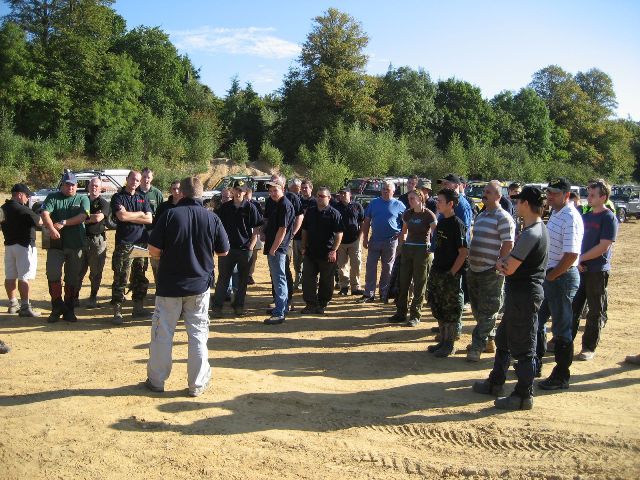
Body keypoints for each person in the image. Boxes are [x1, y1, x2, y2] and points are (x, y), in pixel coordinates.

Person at [146, 176, 229, 397]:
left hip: (170, 286)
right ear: (201, 194)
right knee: (198, 335)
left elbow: (153, 249)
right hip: (199, 286)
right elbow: (223, 251)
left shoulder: (169, 215)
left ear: (181, 193)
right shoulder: (212, 218)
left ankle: (157, 381)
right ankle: (197, 384)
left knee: (163, 334)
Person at [472, 186, 548, 410]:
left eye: (518, 201)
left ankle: (524, 395)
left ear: (526, 204)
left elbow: (509, 267)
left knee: (524, 348)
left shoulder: (532, 233)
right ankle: (496, 381)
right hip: (520, 294)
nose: (515, 205)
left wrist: (500, 264)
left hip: (524, 295)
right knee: (504, 340)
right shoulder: (536, 229)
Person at [536, 177, 584, 390]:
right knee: (537, 320)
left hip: (562, 277)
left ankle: (562, 375)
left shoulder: (570, 217)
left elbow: (572, 254)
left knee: (561, 328)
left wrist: (553, 275)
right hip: (553, 276)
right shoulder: (556, 212)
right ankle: (534, 362)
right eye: (549, 192)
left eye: (554, 193)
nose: (550, 196)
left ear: (567, 195)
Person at [466, 181, 515, 362]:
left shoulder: (503, 217)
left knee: (488, 311)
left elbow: (508, 244)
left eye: (489, 192)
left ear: (498, 196)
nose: (484, 194)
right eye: (484, 191)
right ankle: (489, 340)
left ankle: (476, 347)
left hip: (491, 272)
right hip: (474, 269)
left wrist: (499, 264)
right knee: (478, 310)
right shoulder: (481, 215)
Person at [571, 180, 617, 361]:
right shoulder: (586, 216)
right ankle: (564, 341)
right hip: (580, 269)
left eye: (592, 195)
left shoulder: (608, 218)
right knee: (573, 307)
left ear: (603, 197)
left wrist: (581, 258)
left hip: (597, 271)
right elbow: (577, 241)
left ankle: (588, 347)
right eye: (588, 194)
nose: (588, 198)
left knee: (595, 311)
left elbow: (604, 246)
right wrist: (577, 261)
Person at [41, 172, 90, 323]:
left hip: (75, 244)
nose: (70, 187)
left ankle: (69, 309)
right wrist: (51, 228)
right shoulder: (53, 197)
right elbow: (45, 213)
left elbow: (83, 216)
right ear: (62, 185)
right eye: (67, 184)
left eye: (73, 185)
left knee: (72, 278)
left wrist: (63, 223)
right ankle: (57, 307)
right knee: (53, 274)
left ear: (77, 185)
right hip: (56, 245)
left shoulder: (82, 198)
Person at [211, 180, 263, 317]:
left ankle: (239, 306)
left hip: (245, 250)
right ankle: (217, 307)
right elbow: (217, 227)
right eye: (236, 190)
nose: (238, 192)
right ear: (232, 191)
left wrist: (251, 246)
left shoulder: (250, 207)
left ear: (245, 192)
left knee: (242, 280)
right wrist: (219, 245)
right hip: (227, 250)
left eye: (241, 190)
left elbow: (256, 228)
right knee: (223, 279)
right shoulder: (225, 207)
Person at [426, 188, 468, 358]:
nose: (437, 203)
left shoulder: (457, 224)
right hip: (438, 270)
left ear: (450, 204)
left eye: (440, 201)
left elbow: (463, 253)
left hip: (450, 274)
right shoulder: (442, 222)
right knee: (438, 305)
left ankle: (449, 344)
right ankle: (443, 341)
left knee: (450, 309)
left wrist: (452, 273)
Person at [388, 189, 437, 327]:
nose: (409, 201)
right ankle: (401, 312)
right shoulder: (408, 213)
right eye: (409, 198)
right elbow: (403, 232)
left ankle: (415, 315)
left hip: (423, 250)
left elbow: (435, 234)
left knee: (419, 284)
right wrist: (401, 247)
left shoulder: (428, 214)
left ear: (420, 199)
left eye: (412, 198)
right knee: (403, 282)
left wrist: (432, 249)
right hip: (408, 249)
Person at [110, 170, 153, 324]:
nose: (135, 182)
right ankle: (117, 310)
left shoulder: (142, 198)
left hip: (141, 242)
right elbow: (121, 216)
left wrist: (131, 215)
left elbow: (149, 219)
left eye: (137, 180)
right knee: (121, 276)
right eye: (132, 179)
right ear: (127, 179)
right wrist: (140, 214)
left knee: (140, 276)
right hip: (124, 243)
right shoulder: (118, 197)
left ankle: (138, 308)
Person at [359, 180, 405, 303]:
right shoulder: (374, 203)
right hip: (375, 239)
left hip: (391, 241)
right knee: (370, 267)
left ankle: (384, 293)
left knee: (387, 268)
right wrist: (365, 238)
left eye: (387, 189)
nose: (385, 191)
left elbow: (407, 221)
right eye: (383, 189)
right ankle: (369, 294)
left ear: (393, 191)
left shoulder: (399, 205)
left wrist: (401, 233)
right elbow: (367, 221)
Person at [300, 187, 343, 314]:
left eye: (322, 196)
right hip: (311, 252)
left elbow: (339, 233)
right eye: (318, 196)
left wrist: (334, 250)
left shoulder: (334, 213)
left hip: (327, 253)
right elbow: (305, 230)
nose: (319, 198)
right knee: (308, 278)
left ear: (329, 198)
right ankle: (310, 304)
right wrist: (303, 246)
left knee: (326, 280)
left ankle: (323, 304)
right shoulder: (310, 211)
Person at [1, 183, 42, 317]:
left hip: (9, 246)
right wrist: (38, 212)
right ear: (19, 195)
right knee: (24, 277)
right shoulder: (23, 209)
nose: (28, 198)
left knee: (10, 276)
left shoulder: (3, 208)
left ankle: (13, 304)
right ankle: (25, 306)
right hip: (24, 246)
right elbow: (39, 222)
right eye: (27, 195)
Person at [264, 174, 303, 312]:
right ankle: (279, 302)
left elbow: (296, 219)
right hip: (273, 242)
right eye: (271, 189)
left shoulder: (289, 200)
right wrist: (264, 232)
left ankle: (284, 304)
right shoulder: (271, 201)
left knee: (282, 272)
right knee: (276, 273)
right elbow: (267, 219)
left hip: (281, 244)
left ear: (283, 187)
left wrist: (291, 234)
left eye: (275, 188)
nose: (272, 192)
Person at [77, 177, 109, 309]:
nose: (94, 188)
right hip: (80, 239)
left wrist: (81, 218)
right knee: (78, 271)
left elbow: (98, 218)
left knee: (96, 272)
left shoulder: (103, 203)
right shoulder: (82, 200)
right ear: (88, 187)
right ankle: (74, 298)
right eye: (92, 185)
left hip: (97, 241)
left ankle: (93, 297)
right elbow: (91, 217)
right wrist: (89, 217)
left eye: (96, 186)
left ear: (101, 188)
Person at [335, 187, 365, 296]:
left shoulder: (357, 206)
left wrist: (360, 237)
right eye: (341, 193)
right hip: (340, 241)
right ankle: (344, 287)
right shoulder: (335, 206)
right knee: (342, 265)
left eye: (345, 193)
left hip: (354, 240)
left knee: (356, 264)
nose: (342, 195)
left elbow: (362, 222)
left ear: (350, 194)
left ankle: (355, 287)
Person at [137, 167, 164, 283]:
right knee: (139, 263)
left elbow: (162, 213)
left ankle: (159, 287)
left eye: (148, 177)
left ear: (152, 178)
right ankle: (139, 289)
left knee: (156, 263)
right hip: (138, 233)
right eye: (144, 177)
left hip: (154, 233)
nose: (146, 179)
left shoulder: (157, 193)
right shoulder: (135, 192)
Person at [292, 178, 314, 290]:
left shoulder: (315, 202)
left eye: (306, 188)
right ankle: (298, 281)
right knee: (297, 261)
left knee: (309, 260)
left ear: (311, 188)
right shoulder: (298, 200)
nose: (304, 190)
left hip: (311, 236)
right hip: (298, 235)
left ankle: (309, 282)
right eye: (302, 188)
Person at [246, 185, 264, 285]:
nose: (247, 199)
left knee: (253, 256)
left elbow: (260, 219)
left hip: (255, 231)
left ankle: (249, 275)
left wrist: (261, 233)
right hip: (244, 232)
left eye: (248, 197)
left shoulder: (256, 204)